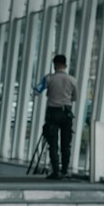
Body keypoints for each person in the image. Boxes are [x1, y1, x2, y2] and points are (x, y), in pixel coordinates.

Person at [36, 52, 77, 180]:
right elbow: (74, 97)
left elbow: (37, 90)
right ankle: (65, 171)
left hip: (53, 114)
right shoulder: (73, 80)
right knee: (66, 144)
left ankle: (56, 172)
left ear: (55, 65)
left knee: (53, 144)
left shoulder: (48, 78)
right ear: (65, 65)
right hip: (67, 114)